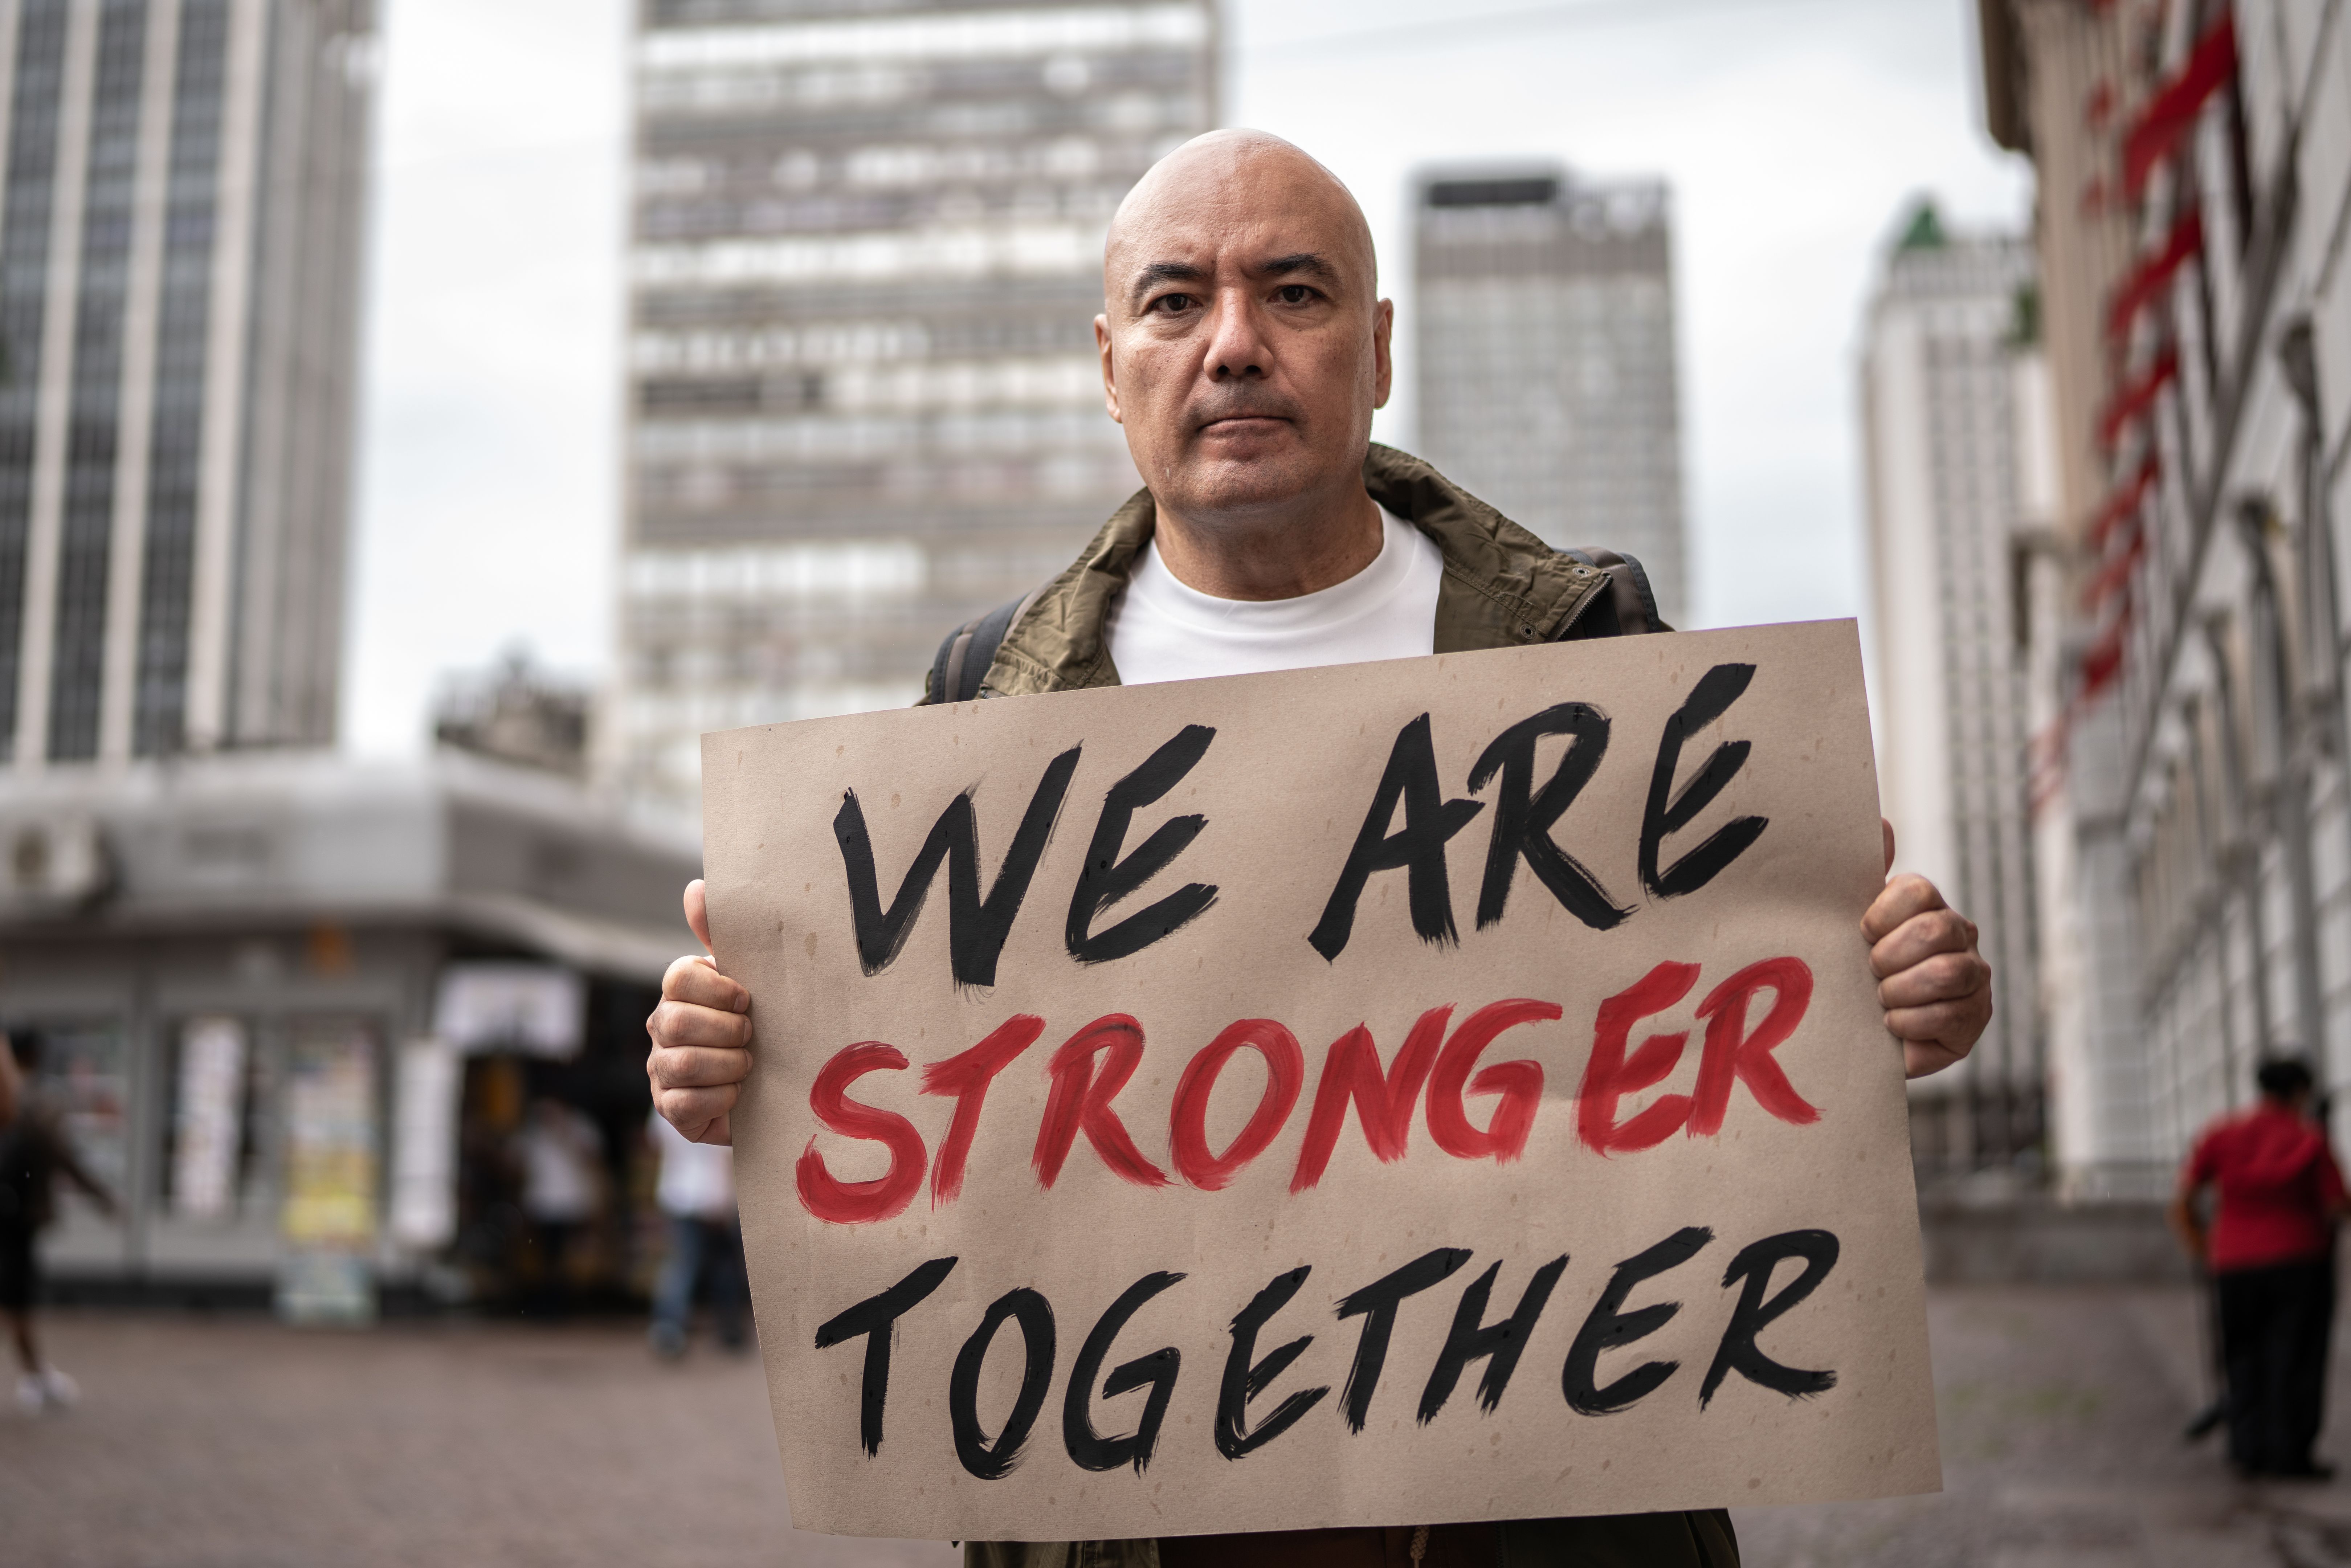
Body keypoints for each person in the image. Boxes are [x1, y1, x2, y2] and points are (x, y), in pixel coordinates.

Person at [646, 130, 1995, 1568]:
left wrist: (1898, 991)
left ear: (1378, 346)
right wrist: (739, 1065)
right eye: (1174, 304)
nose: (1231, 346)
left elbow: (1750, 1034)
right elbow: (911, 1137)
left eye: (1292, 293)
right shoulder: (984, 706)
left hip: (1544, 1510)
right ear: (1110, 366)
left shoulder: (1591, 653)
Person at [2172, 1056, 2347, 1479]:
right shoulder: (2309, 1138)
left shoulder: (2223, 1133)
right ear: (2300, 1092)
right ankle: (2290, 1453)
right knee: (2295, 1357)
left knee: (2241, 1354)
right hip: (2300, 1259)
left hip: (2232, 1262)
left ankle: (2248, 1448)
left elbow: (2186, 1198)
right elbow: (2336, 1206)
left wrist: (2201, 1244)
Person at [0, 1030, 121, 1413]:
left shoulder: (28, 1104)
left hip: (14, 1216)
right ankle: (38, 1378)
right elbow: (62, 1155)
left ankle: (38, 1377)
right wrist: (101, 1197)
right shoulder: (37, 1104)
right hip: (15, 1219)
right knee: (17, 1301)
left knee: (17, 1302)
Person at [646, 1107, 749, 1359]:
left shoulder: (665, 1099)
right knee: (721, 1266)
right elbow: (727, 1154)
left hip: (679, 1194)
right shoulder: (722, 1102)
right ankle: (729, 1328)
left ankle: (669, 1327)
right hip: (711, 1196)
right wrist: (723, 1200)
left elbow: (654, 1140)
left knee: (684, 1265)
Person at [512, 1097, 604, 1317]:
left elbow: (593, 1158)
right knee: (544, 1257)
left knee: (571, 1258)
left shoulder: (580, 1125)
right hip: (540, 1204)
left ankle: (568, 1303)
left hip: (572, 1204)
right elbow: (515, 1162)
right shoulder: (534, 1130)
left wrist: (564, 1132)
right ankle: (546, 1303)